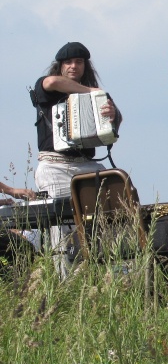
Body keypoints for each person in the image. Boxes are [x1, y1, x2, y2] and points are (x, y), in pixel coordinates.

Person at [31, 42, 121, 276]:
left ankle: (107, 275)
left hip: (87, 165)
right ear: (60, 65)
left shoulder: (94, 94)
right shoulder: (48, 87)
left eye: (79, 62)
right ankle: (65, 281)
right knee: (63, 230)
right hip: (56, 164)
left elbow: (114, 127)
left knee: (105, 220)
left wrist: (112, 114)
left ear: (85, 65)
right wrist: (90, 92)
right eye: (68, 62)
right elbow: (51, 82)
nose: (73, 66)